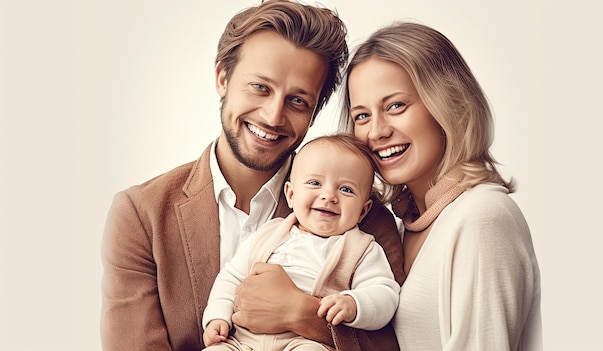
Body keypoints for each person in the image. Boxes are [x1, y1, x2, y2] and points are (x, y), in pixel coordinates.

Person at [101, 1, 405, 350]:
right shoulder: (140, 214)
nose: (273, 116)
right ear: (222, 79)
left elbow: (393, 343)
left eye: (298, 101)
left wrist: (299, 313)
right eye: (260, 87)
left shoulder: (361, 216)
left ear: (314, 112)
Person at [339, 21, 542, 350]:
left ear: (448, 103)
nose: (376, 131)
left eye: (395, 106)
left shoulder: (482, 216)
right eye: (362, 115)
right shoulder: (402, 224)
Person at [202, 134, 400, 350]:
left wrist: (355, 304)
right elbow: (231, 277)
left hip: (304, 341)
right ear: (291, 194)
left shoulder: (362, 249)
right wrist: (217, 317)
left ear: (363, 210)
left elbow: (385, 294)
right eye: (315, 183)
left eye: (346, 189)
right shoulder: (268, 233)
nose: (329, 195)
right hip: (243, 340)